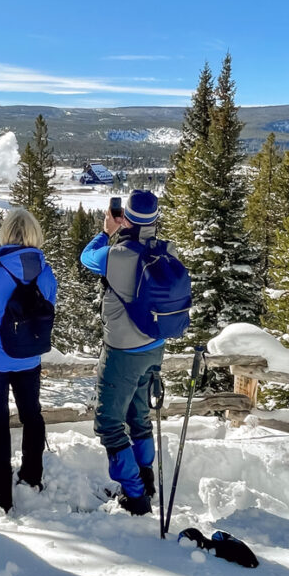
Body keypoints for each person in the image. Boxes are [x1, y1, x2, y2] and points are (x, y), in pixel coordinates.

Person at [80, 189, 169, 515]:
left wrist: (107, 231)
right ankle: (146, 479)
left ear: (127, 217)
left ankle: (135, 496)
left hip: (122, 352)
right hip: (154, 348)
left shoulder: (116, 256)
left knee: (108, 423)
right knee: (139, 415)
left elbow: (87, 257)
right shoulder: (164, 251)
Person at [0, 208, 57, 512]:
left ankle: (0, 493)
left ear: (6, 235)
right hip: (29, 359)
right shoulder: (46, 274)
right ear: (34, 236)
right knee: (32, 415)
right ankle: (32, 476)